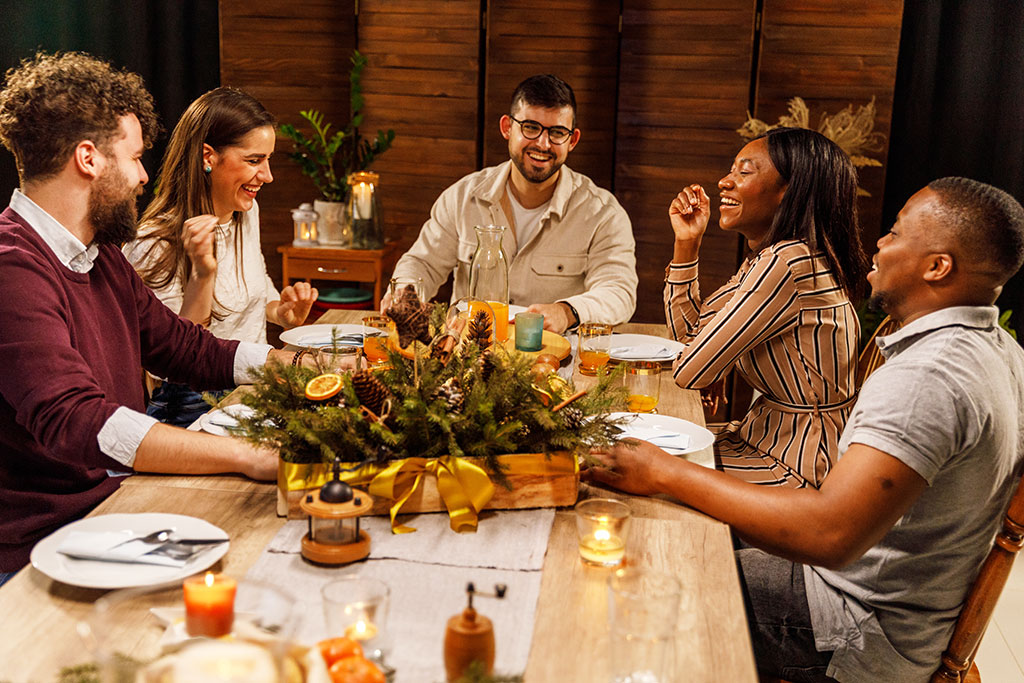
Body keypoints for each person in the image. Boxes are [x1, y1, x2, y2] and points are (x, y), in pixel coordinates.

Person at [588, 177, 1024, 682]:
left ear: (937, 267)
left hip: (854, 623)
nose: (880, 242)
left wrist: (663, 471)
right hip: (877, 598)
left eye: (895, 233)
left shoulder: (930, 375)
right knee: (673, 533)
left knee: (635, 579)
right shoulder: (1002, 351)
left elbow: (829, 535)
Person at [0, 52, 293, 579]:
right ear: (89, 159)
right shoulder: (12, 267)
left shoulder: (101, 255)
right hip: (46, 547)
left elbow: (183, 347)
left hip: (117, 504)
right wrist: (245, 454)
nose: (143, 176)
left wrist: (294, 366)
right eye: (135, 158)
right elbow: (76, 419)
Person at [665, 127, 869, 488]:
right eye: (732, 169)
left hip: (797, 465)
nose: (724, 181)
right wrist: (687, 243)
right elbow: (689, 341)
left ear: (789, 190)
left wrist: (709, 364)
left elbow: (688, 372)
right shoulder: (774, 257)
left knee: (628, 464)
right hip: (761, 440)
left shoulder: (788, 262)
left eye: (744, 172)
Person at [123, 87, 317, 427]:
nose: (267, 175)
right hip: (192, 402)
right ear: (208, 157)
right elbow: (175, 357)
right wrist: (202, 274)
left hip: (255, 382)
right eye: (254, 161)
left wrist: (281, 312)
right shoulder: (154, 242)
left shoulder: (247, 213)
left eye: (268, 159)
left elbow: (256, 284)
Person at [388, 74, 637, 333]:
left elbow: (619, 291)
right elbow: (422, 264)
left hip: (558, 354)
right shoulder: (461, 197)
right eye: (530, 127)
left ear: (572, 140)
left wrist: (567, 312)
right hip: (468, 351)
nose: (543, 143)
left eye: (557, 133)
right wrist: (404, 297)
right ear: (507, 127)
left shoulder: (603, 213)